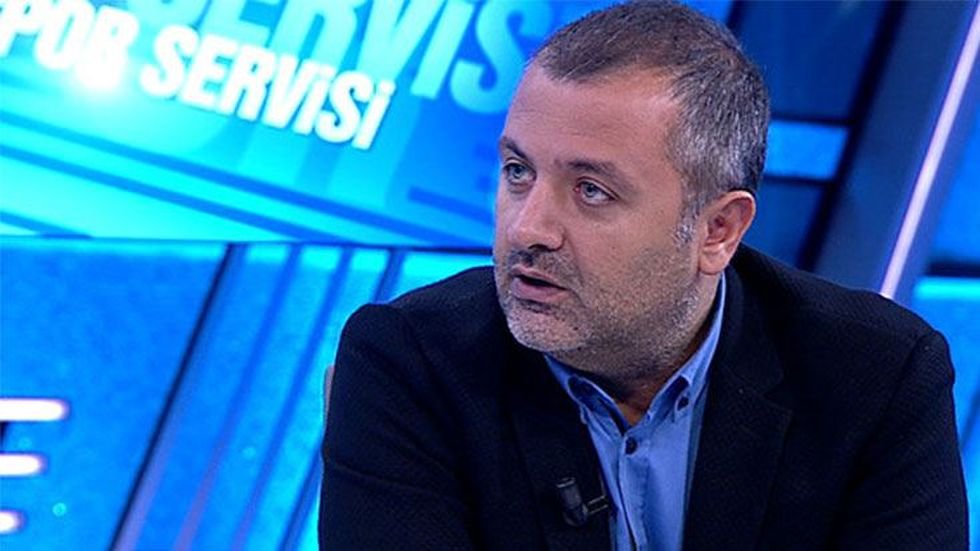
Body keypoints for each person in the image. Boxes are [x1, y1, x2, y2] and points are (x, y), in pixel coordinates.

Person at [319, 2, 968, 549]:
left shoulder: (875, 375)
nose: (528, 229)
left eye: (592, 190)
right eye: (519, 172)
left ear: (718, 230)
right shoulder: (410, 362)